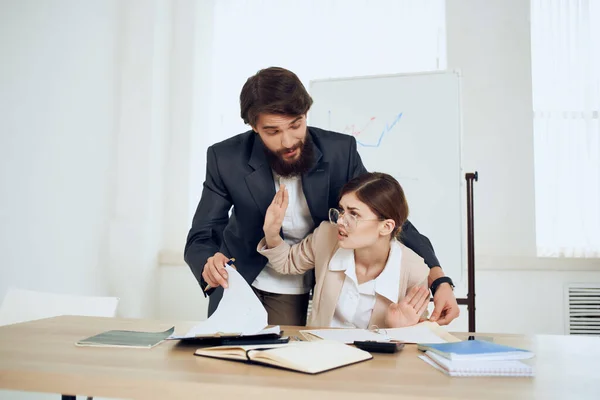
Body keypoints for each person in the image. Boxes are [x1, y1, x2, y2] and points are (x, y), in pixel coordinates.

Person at [184, 66, 459, 326]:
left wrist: (439, 278)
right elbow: (202, 234)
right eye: (273, 131)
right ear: (254, 127)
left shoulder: (340, 151)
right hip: (238, 279)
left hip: (301, 278)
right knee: (225, 366)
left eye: (296, 125)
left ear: (306, 113)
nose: (288, 141)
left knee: (280, 366)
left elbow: (387, 215)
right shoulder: (225, 157)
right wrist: (209, 262)